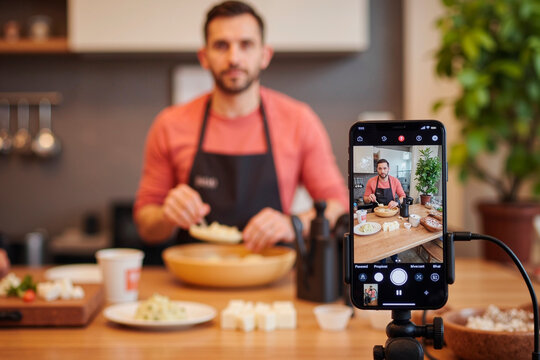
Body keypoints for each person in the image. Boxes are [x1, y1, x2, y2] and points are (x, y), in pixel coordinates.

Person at [134, 1, 347, 254]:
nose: (234, 58)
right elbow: (146, 226)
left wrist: (294, 224)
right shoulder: (170, 124)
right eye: (221, 45)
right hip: (193, 281)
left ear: (264, 55)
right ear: (204, 57)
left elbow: (340, 206)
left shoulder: (299, 121)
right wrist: (166, 215)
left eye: (246, 45)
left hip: (273, 280)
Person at [363, 158, 406, 263]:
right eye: (380, 168)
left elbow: (403, 196)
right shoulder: (371, 182)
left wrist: (397, 202)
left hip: (391, 213)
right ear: (377, 169)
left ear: (388, 169)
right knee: (379, 238)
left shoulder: (395, 181)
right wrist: (369, 198)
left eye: (385, 168)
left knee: (392, 236)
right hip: (376, 214)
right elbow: (365, 199)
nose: (382, 171)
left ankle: (394, 256)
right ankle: (382, 258)